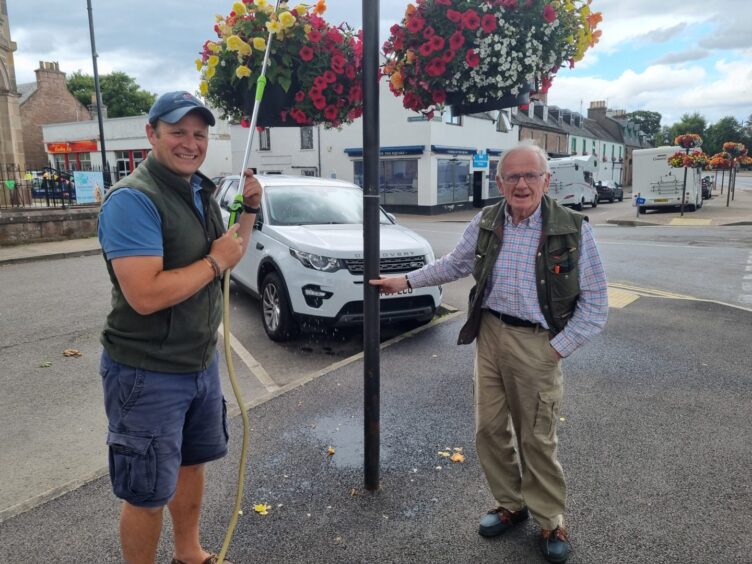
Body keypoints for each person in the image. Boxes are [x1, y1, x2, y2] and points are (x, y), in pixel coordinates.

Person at [370, 141, 608, 563]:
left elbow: (596, 303)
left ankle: (551, 519)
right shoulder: (488, 220)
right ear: (499, 183)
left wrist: (556, 350)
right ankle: (511, 504)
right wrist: (404, 281)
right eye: (512, 176)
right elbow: (455, 264)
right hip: (491, 335)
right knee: (489, 431)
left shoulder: (572, 228)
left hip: (539, 343)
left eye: (530, 175)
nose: (521, 184)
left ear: (546, 180)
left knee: (536, 436)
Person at [97, 91, 262, 564]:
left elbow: (229, 252)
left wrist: (248, 211)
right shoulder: (132, 200)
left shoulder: (196, 189)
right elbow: (144, 295)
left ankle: (188, 552)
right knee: (146, 491)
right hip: (146, 372)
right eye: (178, 132)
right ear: (151, 135)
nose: (190, 143)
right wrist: (214, 261)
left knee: (191, 464)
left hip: (197, 362)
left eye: (199, 134)